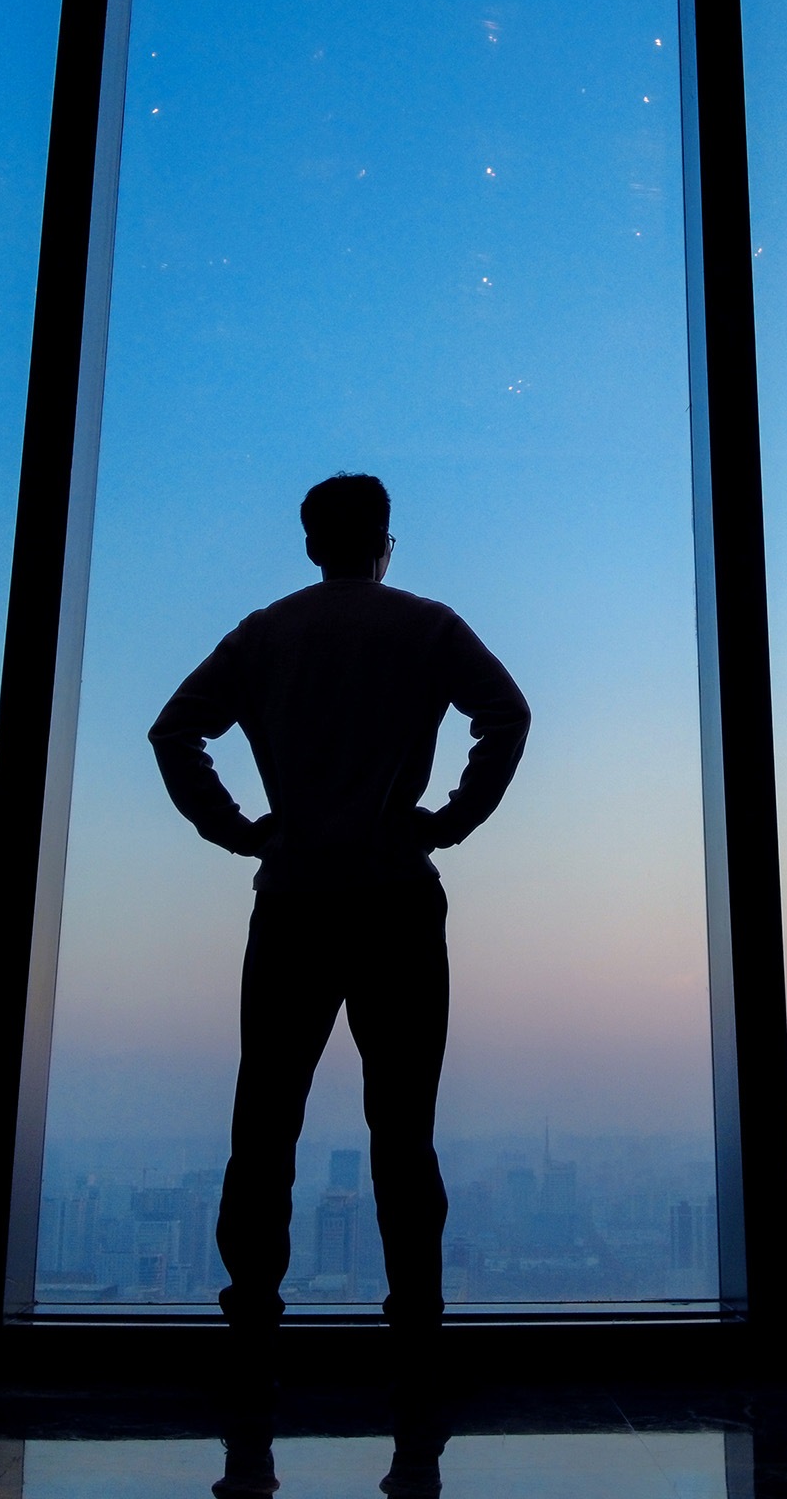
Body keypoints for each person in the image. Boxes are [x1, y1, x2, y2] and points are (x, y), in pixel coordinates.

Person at [148, 472, 530, 1385]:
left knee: (266, 1117)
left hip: (293, 903)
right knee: (402, 1125)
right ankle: (415, 1324)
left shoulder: (264, 634)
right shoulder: (426, 625)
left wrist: (239, 830)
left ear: (312, 543)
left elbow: (174, 733)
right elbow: (506, 715)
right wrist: (450, 817)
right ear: (385, 540)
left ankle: (250, 1322)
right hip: (397, 897)